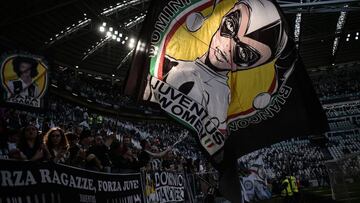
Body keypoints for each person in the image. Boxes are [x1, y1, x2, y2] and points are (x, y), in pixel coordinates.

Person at [146, 0, 291, 134]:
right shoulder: (173, 61)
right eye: (230, 25)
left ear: (254, 66)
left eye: (244, 53)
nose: (228, 45)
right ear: (223, 15)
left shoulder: (217, 97)